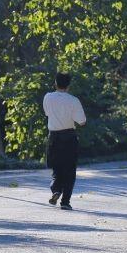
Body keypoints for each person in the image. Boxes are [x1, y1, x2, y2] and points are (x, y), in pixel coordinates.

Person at [43, 73, 86, 210]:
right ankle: (65, 202)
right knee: (69, 170)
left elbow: (47, 113)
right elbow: (82, 121)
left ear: (55, 83)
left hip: (54, 137)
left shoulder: (48, 97)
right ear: (68, 85)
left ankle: (56, 190)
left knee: (57, 169)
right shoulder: (73, 100)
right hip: (69, 137)